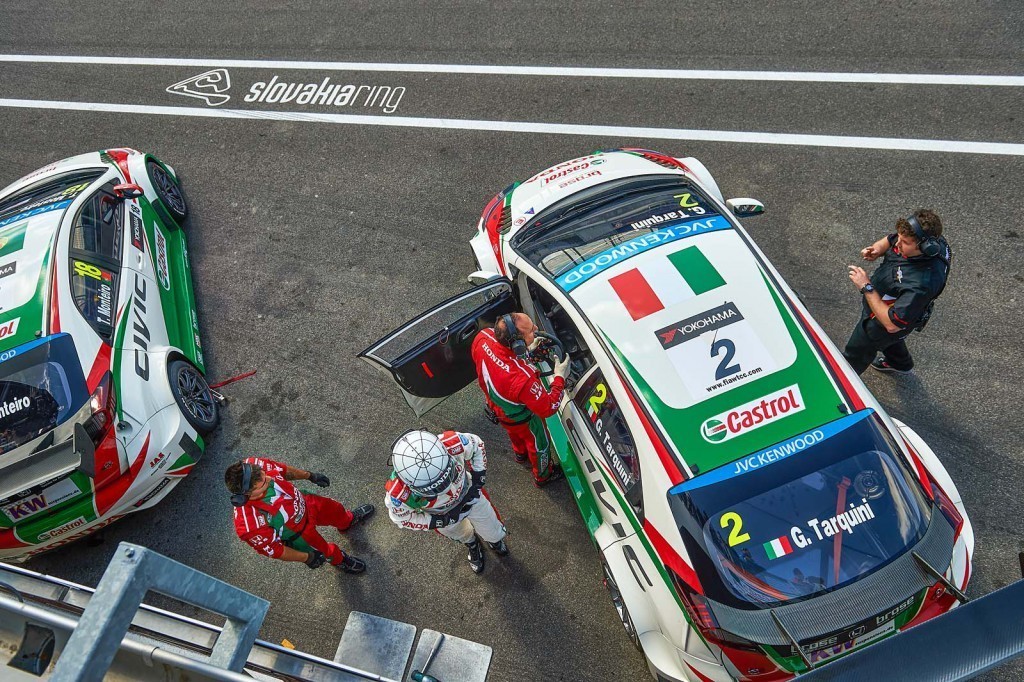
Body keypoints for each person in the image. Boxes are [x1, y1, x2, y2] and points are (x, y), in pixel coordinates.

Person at [843, 209, 952, 375]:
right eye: (899, 238)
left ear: (925, 248)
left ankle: (840, 381)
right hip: (896, 312)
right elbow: (891, 239)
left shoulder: (921, 284)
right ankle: (900, 363)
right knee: (893, 340)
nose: (897, 244)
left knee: (855, 353)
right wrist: (877, 249)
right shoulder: (927, 239)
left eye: (905, 242)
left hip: (881, 322)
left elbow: (892, 325)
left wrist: (866, 287)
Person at [385, 430, 507, 574]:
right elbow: (401, 518)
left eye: (447, 476)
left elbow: (476, 445)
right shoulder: (398, 494)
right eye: (435, 488)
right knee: (461, 534)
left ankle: (494, 540)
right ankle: (472, 544)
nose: (446, 488)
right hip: (443, 515)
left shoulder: (452, 442)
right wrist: (438, 521)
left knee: (492, 529)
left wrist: (478, 480)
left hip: (471, 495)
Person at [470, 312, 571, 486]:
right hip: (523, 418)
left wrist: (526, 353)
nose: (536, 329)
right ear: (517, 344)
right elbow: (548, 407)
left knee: (514, 434)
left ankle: (520, 454)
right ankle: (543, 475)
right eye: (531, 331)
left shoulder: (483, 337)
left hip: (497, 408)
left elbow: (501, 362)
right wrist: (559, 377)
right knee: (539, 445)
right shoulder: (523, 379)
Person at [225, 457, 375, 573]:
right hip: (300, 534)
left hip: (306, 501)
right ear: (246, 495)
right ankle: (339, 560)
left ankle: (347, 521)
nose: (269, 479)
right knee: (325, 551)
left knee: (336, 510)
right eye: (264, 483)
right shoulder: (249, 525)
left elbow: (283, 470)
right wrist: (307, 558)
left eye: (264, 474)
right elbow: (275, 550)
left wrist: (310, 476)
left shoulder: (255, 465)